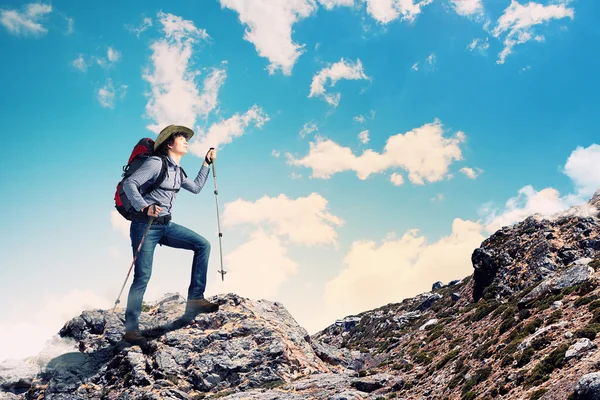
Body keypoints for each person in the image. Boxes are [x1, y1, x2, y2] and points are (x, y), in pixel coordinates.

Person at [121, 124, 219, 346]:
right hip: (144, 225)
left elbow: (195, 188)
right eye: (181, 138)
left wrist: (205, 163)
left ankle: (195, 298)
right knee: (143, 276)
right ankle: (131, 329)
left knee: (203, 245)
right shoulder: (156, 163)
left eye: (186, 138)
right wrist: (144, 206)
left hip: (165, 226)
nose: (186, 140)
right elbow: (130, 183)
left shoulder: (177, 171)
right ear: (169, 144)